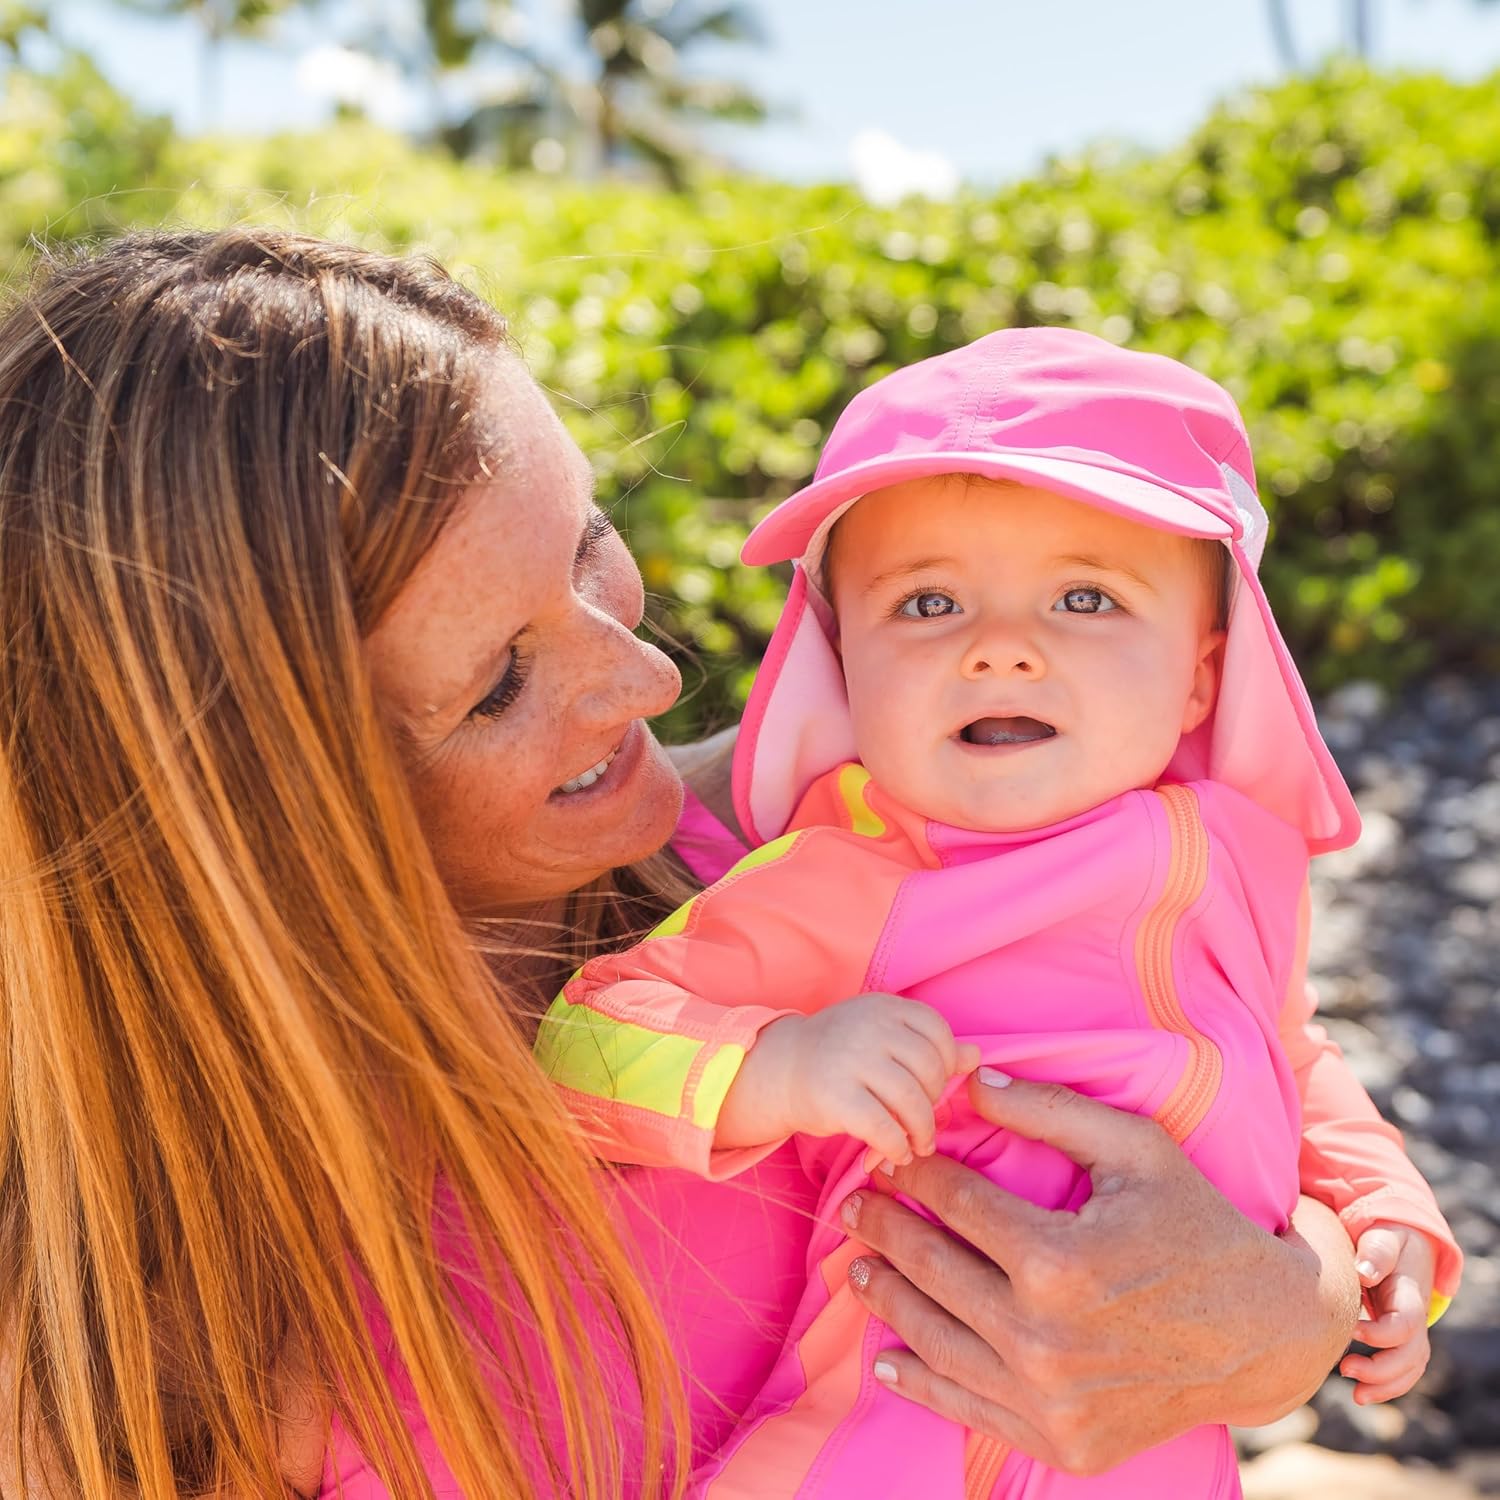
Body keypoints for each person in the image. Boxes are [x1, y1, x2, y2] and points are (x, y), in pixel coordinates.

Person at [0, 231, 1365, 1500]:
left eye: (593, 550)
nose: (648, 678)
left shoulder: (824, 830)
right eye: (498, 688)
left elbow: (1249, 1059)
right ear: (263, 815)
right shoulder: (170, 1349)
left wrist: (1286, 1320)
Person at [537, 330, 1462, 1498]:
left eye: (1086, 597)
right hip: (889, 1431)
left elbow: (1290, 1049)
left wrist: (1379, 1206)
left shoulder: (1240, 863)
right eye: (927, 602)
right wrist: (778, 1063)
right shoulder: (859, 878)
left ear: (1201, 674)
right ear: (844, 666)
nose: (1000, 650)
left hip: (1153, 1446)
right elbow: (582, 1040)